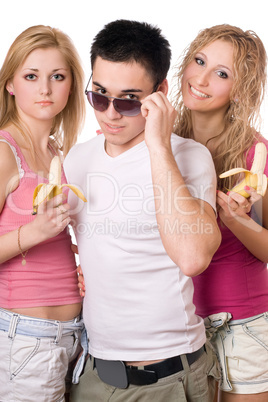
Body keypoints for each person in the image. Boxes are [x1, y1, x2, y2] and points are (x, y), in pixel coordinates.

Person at [64, 19, 221, 402]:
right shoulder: (78, 158)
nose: (111, 114)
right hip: (92, 373)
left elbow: (192, 257)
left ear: (160, 93)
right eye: (99, 96)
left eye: (128, 100)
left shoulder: (188, 156)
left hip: (166, 378)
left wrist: (159, 145)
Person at [171, 24, 268, 401]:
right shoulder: (162, 143)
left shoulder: (254, 155)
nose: (202, 78)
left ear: (240, 91)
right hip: (180, 327)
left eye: (222, 73)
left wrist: (236, 220)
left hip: (241, 328)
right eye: (199, 61)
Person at [0, 25, 86, 401]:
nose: (45, 89)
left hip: (75, 334)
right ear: (11, 85)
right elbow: (35, 231)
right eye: (31, 76)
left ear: (71, 86)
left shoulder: (56, 152)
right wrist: (35, 233)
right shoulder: (4, 151)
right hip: (25, 337)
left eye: (57, 76)